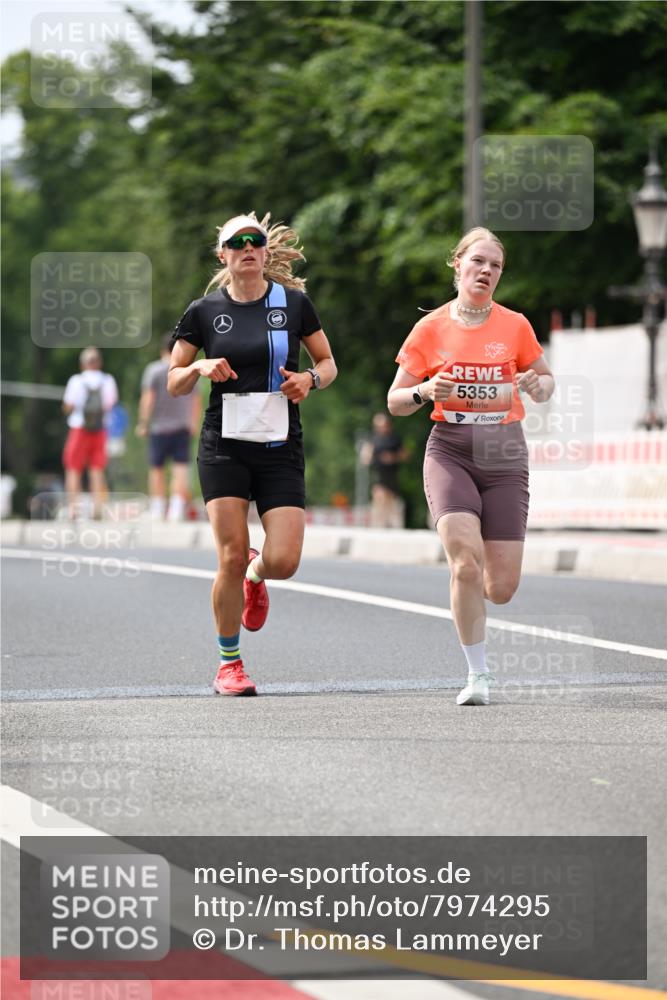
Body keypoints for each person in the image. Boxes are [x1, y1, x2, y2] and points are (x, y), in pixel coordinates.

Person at [167, 212, 337, 696]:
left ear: (265, 251)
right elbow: (173, 381)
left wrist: (310, 379)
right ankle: (229, 663)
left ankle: (257, 576)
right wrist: (199, 366)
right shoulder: (203, 312)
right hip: (224, 445)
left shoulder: (294, 305)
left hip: (280, 444)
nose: (247, 247)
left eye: (255, 241)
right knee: (229, 555)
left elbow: (327, 362)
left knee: (283, 560)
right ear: (222, 254)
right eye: (236, 242)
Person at [387, 227, 555, 706]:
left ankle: (479, 586)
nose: (486, 271)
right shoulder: (431, 328)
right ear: (457, 265)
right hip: (451, 450)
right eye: (477, 261)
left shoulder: (515, 325)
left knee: (499, 588)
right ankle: (478, 675)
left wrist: (536, 384)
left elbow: (545, 383)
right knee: (464, 564)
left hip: (504, 455)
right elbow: (395, 399)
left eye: (495, 266)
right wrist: (423, 391)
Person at [136, 333, 201, 521]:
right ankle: (176, 508)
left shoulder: (154, 370)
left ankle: (157, 507)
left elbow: (148, 398)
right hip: (182, 426)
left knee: (157, 468)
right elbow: (195, 400)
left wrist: (143, 423)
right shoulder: (187, 370)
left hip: (158, 428)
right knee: (180, 468)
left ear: (162, 349)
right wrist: (193, 423)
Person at [62, 347, 118, 519]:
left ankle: (74, 509)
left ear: (82, 364)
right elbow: (111, 404)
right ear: (99, 362)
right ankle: (97, 509)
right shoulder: (108, 380)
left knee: (73, 468)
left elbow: (68, 406)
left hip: (79, 428)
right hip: (100, 429)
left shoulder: (76, 381)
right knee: (97, 469)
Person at [360, 413, 408, 528]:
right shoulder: (372, 439)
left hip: (392, 475)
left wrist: (393, 457)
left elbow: (405, 455)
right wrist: (369, 455)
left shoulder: (395, 439)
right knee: (380, 498)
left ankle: (392, 526)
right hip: (378, 475)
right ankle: (378, 526)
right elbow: (365, 458)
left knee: (392, 503)